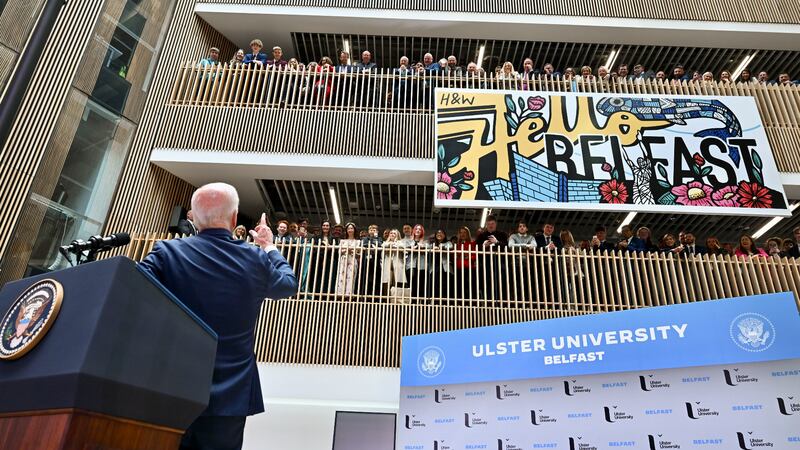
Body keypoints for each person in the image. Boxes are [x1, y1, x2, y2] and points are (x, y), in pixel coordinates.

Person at [139, 183, 298, 450]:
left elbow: (131, 289)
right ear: (234, 218)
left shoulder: (166, 253)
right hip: (231, 395)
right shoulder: (255, 257)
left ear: (194, 217)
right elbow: (288, 285)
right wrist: (269, 246)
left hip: (170, 388)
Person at [335, 222, 361, 297]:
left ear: (354, 230)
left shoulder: (358, 241)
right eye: (348, 228)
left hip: (353, 260)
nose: (350, 230)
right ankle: (340, 294)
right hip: (343, 260)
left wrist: (353, 251)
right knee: (341, 276)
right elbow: (339, 252)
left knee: (351, 277)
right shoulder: (342, 241)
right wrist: (347, 250)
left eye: (351, 228)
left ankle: (349, 295)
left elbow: (359, 254)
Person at [381, 229, 407, 299]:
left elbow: (403, 249)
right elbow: (383, 247)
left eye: (394, 233)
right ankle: (386, 300)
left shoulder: (401, 242)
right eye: (391, 233)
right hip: (388, 265)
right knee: (387, 283)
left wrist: (395, 244)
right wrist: (390, 244)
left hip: (397, 265)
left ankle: (397, 300)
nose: (392, 234)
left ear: (397, 235)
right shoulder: (385, 243)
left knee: (397, 283)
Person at [430, 229, 453, 300]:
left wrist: (440, 247)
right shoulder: (432, 244)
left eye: (441, 233)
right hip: (434, 268)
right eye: (437, 233)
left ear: (445, 235)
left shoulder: (448, 242)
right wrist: (433, 248)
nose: (439, 234)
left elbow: (450, 246)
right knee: (435, 286)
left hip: (445, 268)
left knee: (445, 287)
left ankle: (444, 304)